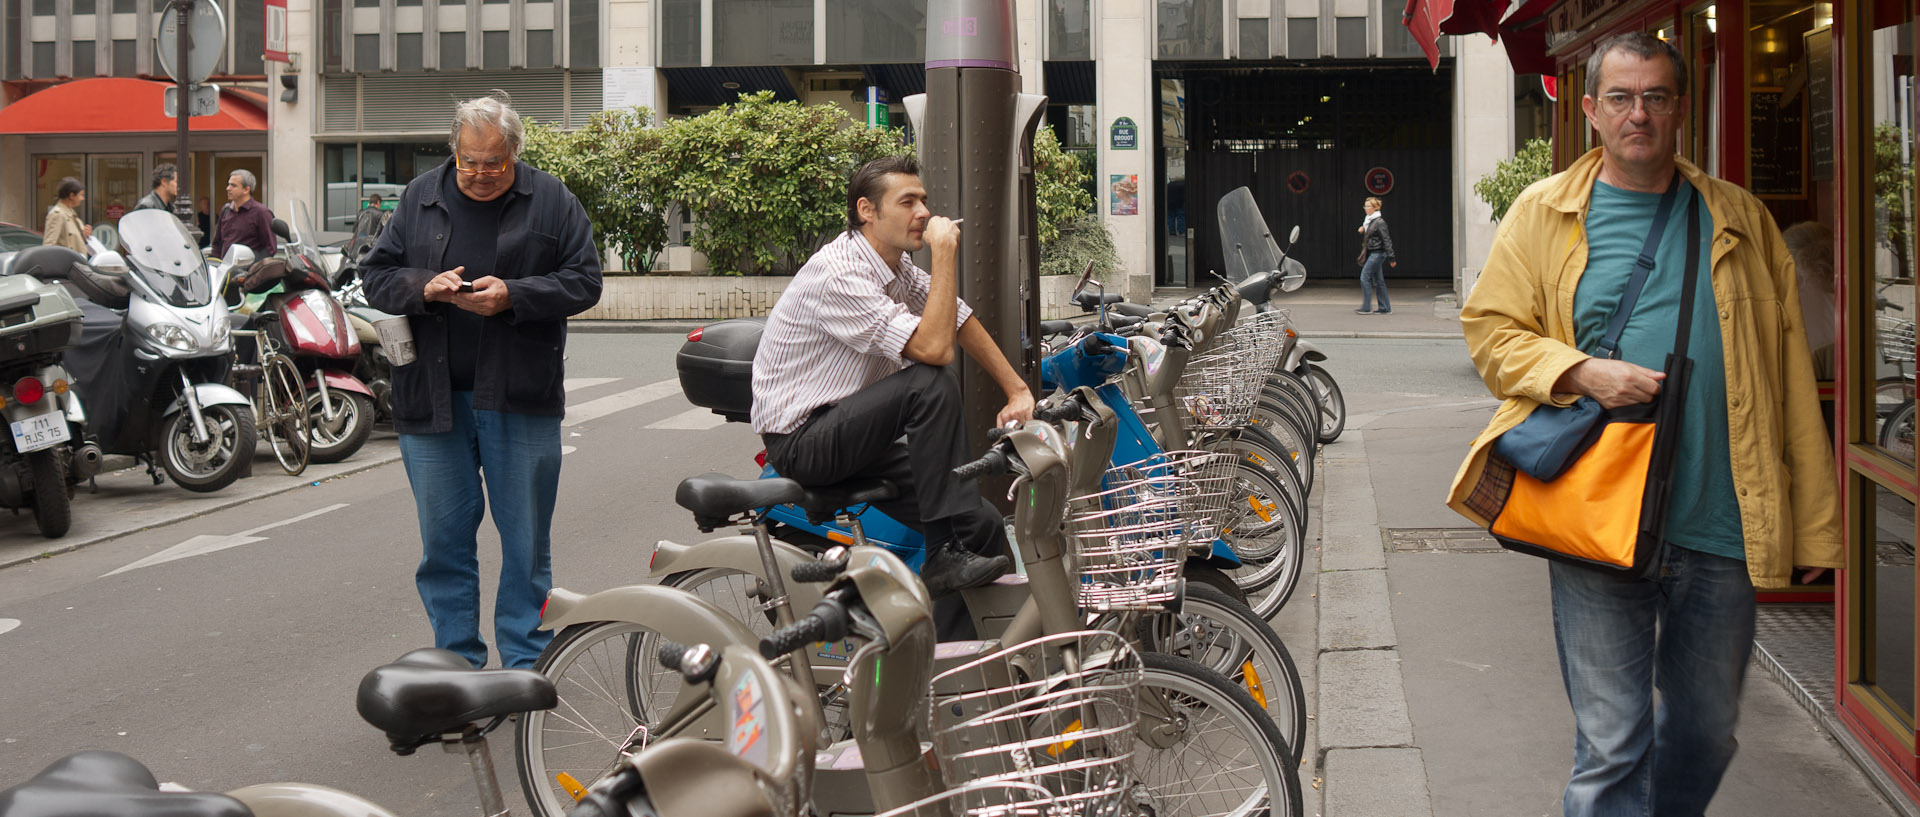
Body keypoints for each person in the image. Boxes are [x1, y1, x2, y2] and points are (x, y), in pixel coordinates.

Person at [1447, 32, 1840, 817]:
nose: (1639, 114)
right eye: (1621, 98)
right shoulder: (1545, 211)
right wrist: (1580, 371)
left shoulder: (1739, 218)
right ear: (1590, 110)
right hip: (1598, 517)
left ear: (1681, 111)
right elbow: (1492, 330)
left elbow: (1791, 375)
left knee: (1706, 727)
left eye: (1656, 97)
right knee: (1612, 745)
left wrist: (1817, 531)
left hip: (1721, 522)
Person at [360, 93, 602, 670]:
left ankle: (525, 664)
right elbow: (376, 276)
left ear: (515, 151)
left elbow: (585, 281)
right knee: (443, 545)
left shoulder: (551, 199)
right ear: (455, 151)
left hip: (520, 397)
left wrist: (513, 296)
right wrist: (425, 286)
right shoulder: (422, 195)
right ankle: (458, 666)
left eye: (493, 162)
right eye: (470, 161)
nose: (481, 174)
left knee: (525, 545)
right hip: (432, 400)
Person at [752, 155, 1027, 599]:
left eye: (923, 200)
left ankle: (967, 660)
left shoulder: (895, 268)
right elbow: (935, 350)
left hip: (854, 433)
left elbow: (956, 318)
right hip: (804, 441)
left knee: (982, 523)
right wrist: (944, 254)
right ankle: (941, 554)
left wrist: (1017, 389)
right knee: (931, 382)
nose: (923, 212)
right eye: (908, 202)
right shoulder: (841, 273)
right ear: (867, 211)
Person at [210, 169, 276, 259]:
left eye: (233, 185)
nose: (228, 188)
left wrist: (250, 267)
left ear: (246, 189)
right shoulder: (225, 210)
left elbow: (270, 249)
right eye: (228, 184)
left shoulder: (262, 213)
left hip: (248, 272)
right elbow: (217, 243)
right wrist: (215, 265)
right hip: (223, 270)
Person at [1354, 196, 1396, 314]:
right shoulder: (1369, 221)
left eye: (1368, 206)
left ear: (1375, 208)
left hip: (1377, 253)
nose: (1365, 208)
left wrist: (1391, 257)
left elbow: (1386, 239)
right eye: (1365, 206)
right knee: (1378, 281)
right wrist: (1363, 229)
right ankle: (1384, 308)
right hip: (1373, 252)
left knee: (1365, 277)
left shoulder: (1380, 222)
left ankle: (1366, 307)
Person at [41, 177, 90, 253]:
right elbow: (49, 246)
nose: (82, 198)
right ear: (71, 196)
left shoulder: (71, 214)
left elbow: (71, 240)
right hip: (66, 263)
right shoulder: (57, 214)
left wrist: (84, 235)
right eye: (81, 195)